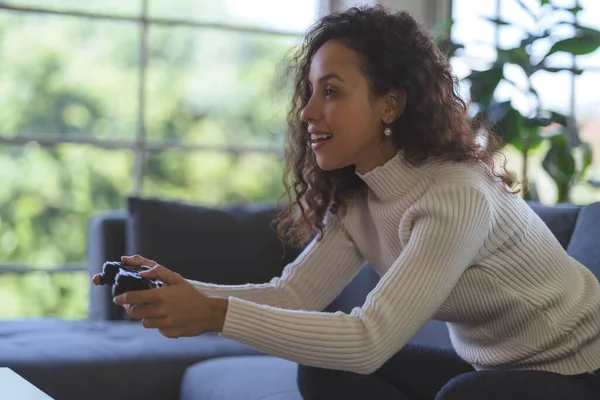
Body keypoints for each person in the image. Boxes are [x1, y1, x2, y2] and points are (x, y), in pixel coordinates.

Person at [93, 5, 600, 399]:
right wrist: (182, 289)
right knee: (325, 375)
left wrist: (212, 315)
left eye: (330, 91)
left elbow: (369, 340)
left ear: (390, 104)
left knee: (468, 397)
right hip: (494, 369)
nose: (308, 111)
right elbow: (293, 296)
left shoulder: (457, 192)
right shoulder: (358, 198)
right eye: (310, 91)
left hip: (580, 369)